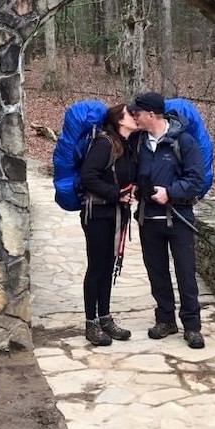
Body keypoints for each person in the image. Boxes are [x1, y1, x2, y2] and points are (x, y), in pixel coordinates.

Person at [129, 91, 206, 349]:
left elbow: (196, 179)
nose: (134, 117)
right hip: (148, 219)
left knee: (186, 272)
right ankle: (165, 320)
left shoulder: (183, 142)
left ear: (151, 114)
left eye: (137, 113)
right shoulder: (138, 142)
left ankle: (192, 327)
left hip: (179, 218)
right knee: (157, 272)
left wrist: (170, 192)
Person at [78, 103, 139, 346]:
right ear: (119, 121)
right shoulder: (104, 144)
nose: (134, 117)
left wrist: (129, 192)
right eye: (129, 114)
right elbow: (87, 177)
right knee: (96, 267)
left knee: (108, 265)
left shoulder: (124, 145)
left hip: (115, 214)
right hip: (97, 214)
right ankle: (91, 323)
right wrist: (117, 194)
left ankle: (105, 317)